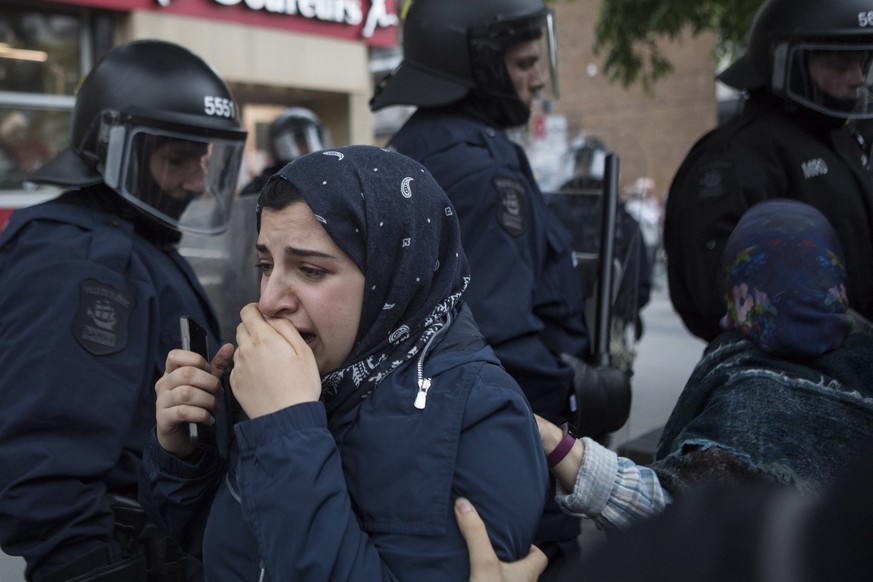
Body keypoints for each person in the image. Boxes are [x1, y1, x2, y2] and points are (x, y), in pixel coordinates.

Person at [140, 145, 548, 580]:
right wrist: (184, 456)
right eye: (265, 264)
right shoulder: (302, 375)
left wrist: (286, 428)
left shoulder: (481, 417)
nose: (269, 300)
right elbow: (232, 549)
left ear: (391, 273)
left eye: (310, 270)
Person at [369, 0, 631, 573]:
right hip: (503, 451)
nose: (538, 78)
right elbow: (495, 339)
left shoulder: (415, 148)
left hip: (428, 447)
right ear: (480, 65)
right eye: (524, 62)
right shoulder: (485, 173)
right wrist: (580, 392)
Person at [0, 39, 247, 581]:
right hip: (127, 556)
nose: (197, 182)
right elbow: (44, 459)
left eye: (202, 161)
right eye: (177, 160)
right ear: (119, 152)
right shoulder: (82, 258)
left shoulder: (134, 240)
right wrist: (91, 568)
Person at [664, 0, 873, 342]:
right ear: (789, 63)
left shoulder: (844, 141)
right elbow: (709, 292)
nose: (857, 78)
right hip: (787, 377)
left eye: (863, 61)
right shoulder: (737, 155)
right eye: (840, 62)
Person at [239, 107, 329, 196]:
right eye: (300, 143)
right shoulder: (264, 186)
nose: (305, 150)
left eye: (309, 142)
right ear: (277, 146)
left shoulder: (329, 179)